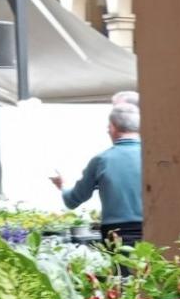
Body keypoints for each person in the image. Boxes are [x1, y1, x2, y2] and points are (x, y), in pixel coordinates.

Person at [50, 103, 143, 244]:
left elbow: (73, 199)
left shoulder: (102, 160)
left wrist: (62, 186)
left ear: (112, 128)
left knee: (122, 266)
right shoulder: (153, 157)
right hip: (156, 229)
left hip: (116, 233)